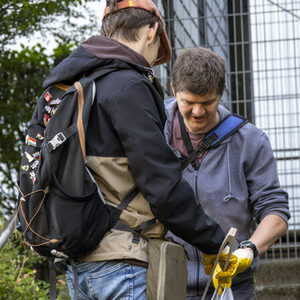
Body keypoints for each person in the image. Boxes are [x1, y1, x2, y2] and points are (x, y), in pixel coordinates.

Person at [42, 1, 232, 299]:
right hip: (123, 265)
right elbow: (161, 185)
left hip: (78, 268)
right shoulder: (128, 84)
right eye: (159, 49)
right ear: (151, 30)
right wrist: (215, 243)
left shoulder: (72, 86)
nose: (155, 60)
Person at [164, 47, 290, 299]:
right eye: (188, 102)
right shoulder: (153, 130)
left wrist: (250, 249)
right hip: (167, 282)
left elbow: (276, 211)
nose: (198, 112)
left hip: (232, 284)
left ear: (222, 92)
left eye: (207, 103)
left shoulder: (251, 141)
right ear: (173, 89)